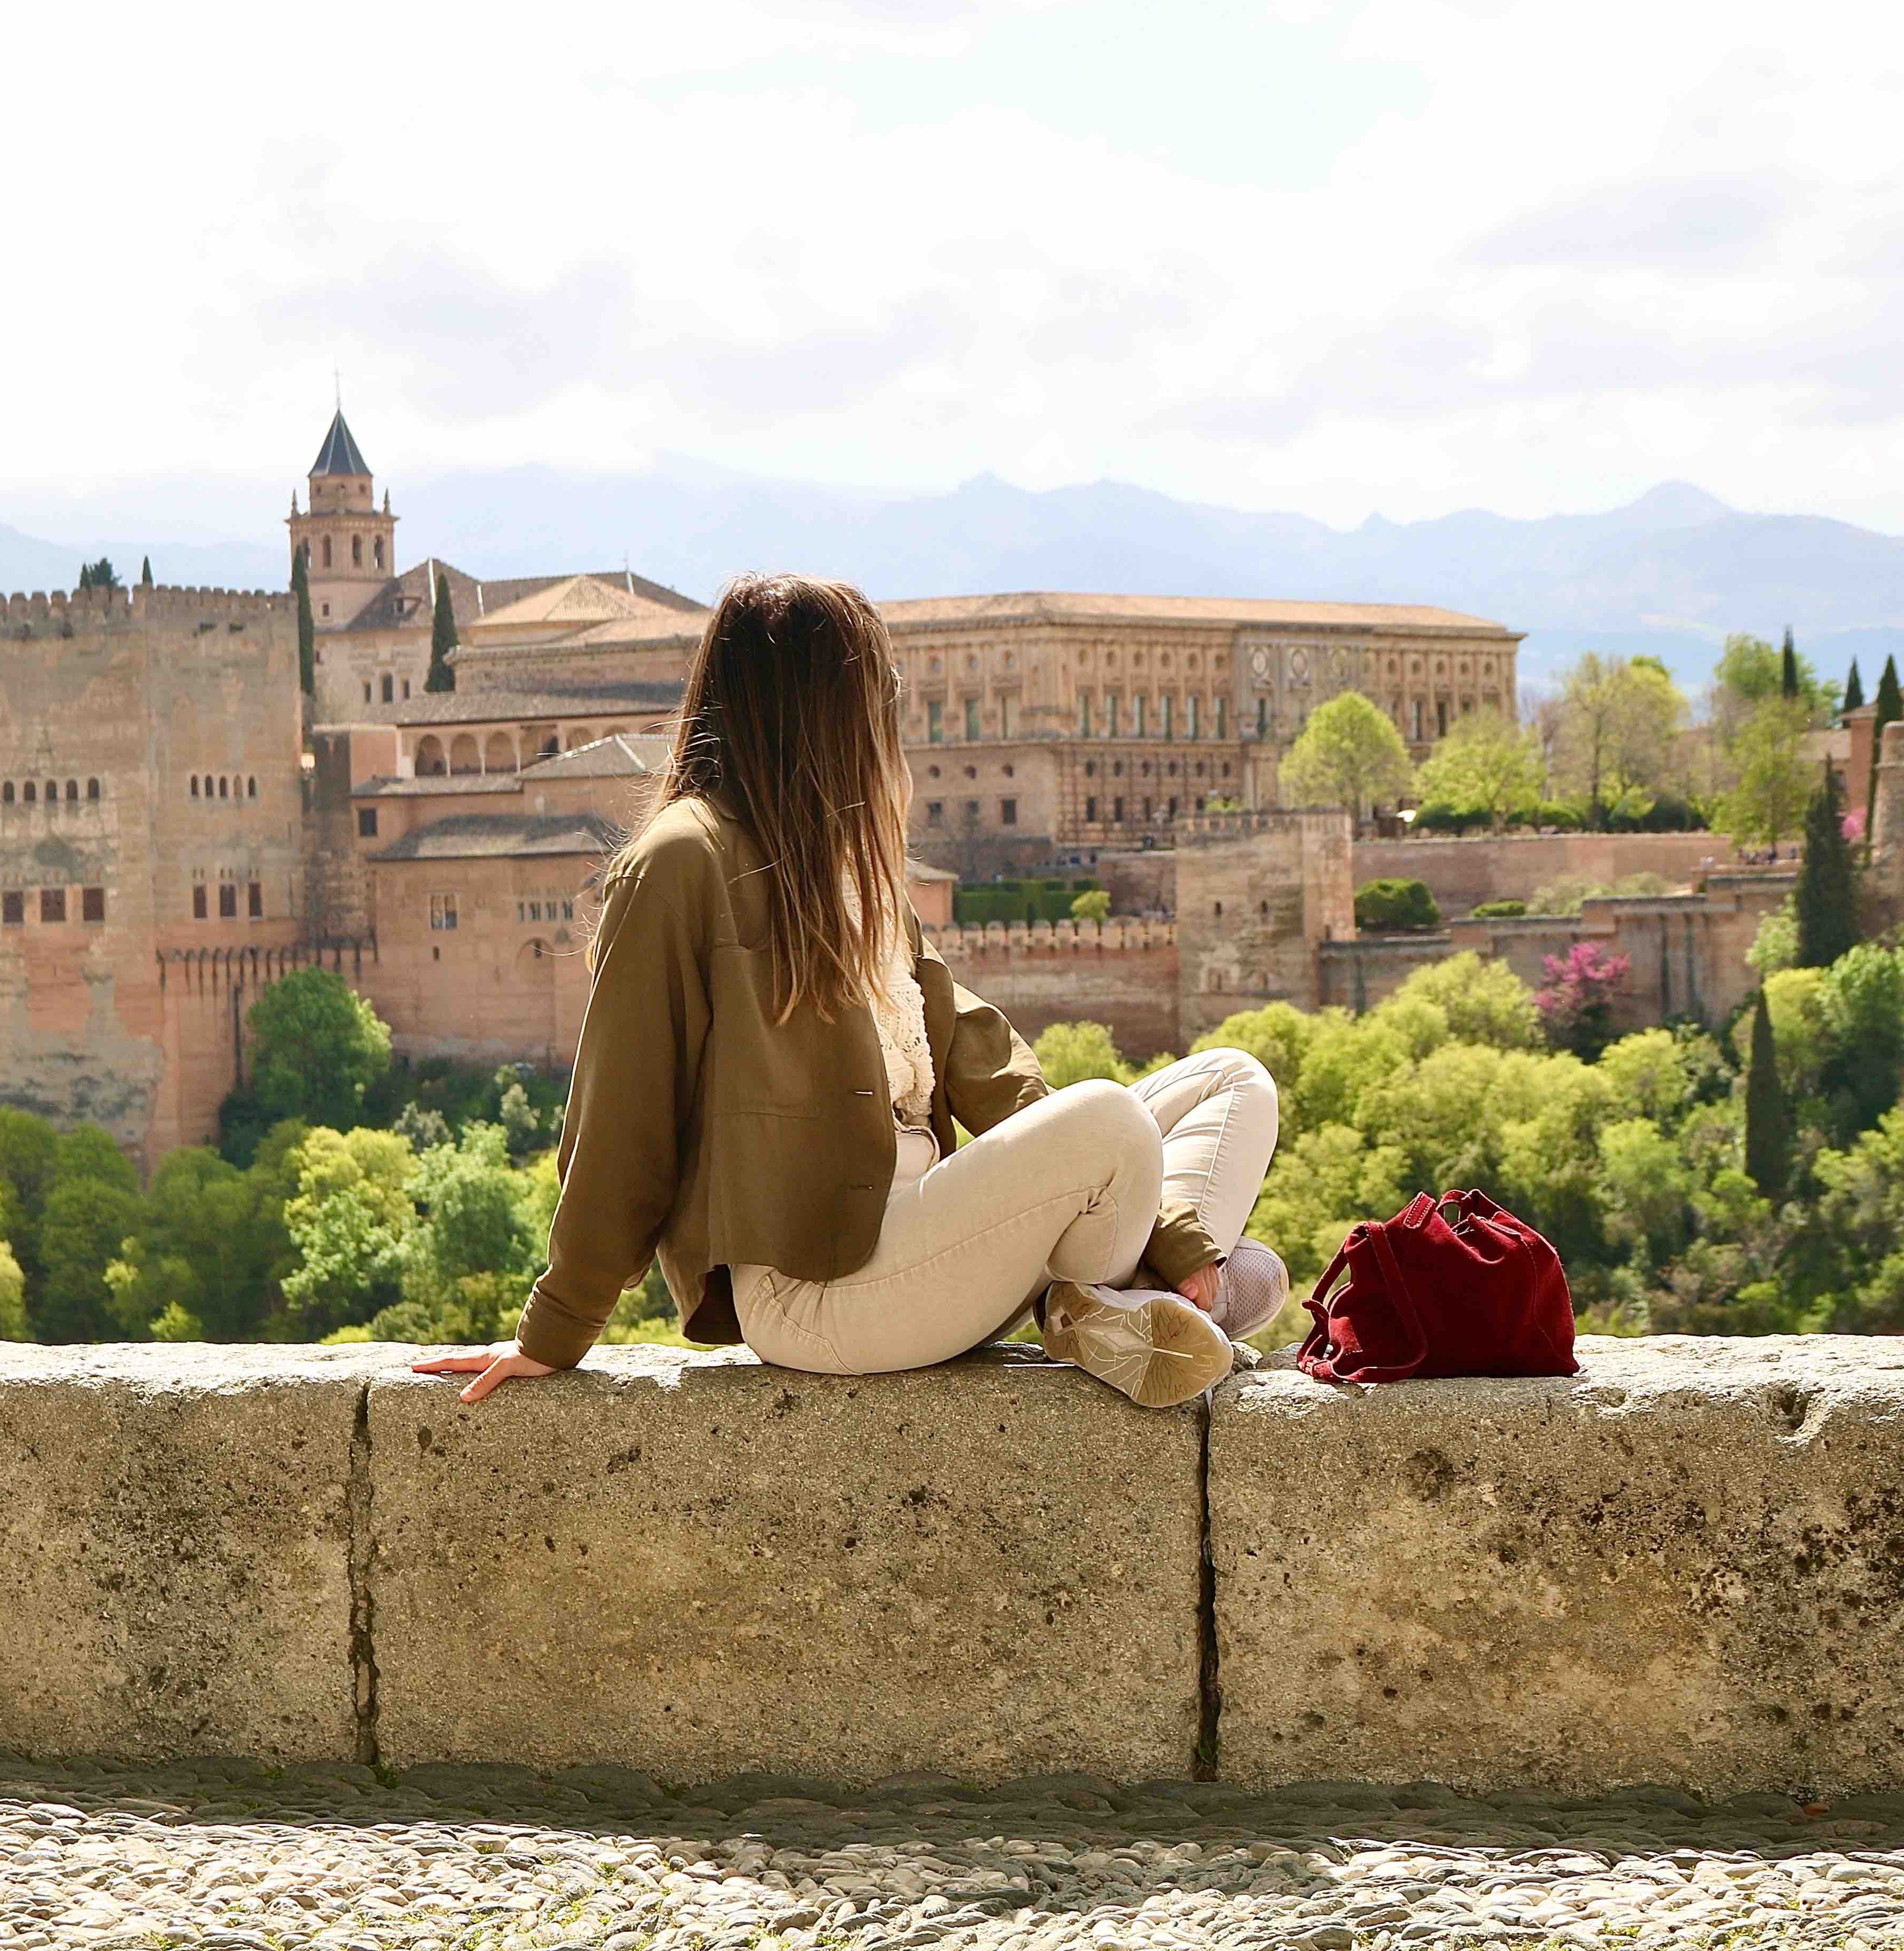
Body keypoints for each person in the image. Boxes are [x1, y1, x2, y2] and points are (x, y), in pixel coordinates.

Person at [417, 573, 1289, 1409]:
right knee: (1111, 1123)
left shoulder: (853, 868)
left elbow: (991, 1071)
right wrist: (556, 1328)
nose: (888, 724)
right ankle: (1132, 1305)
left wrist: (1174, 1227)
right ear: (820, 709)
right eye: (875, 696)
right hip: (825, 1288)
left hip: (943, 1238)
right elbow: (622, 1114)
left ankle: (1119, 1310)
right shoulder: (681, 861)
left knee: (1231, 1080)